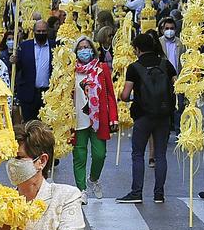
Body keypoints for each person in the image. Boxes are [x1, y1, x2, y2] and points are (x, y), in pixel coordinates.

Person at [117, 31, 176, 203]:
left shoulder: (134, 67)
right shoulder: (166, 64)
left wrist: (127, 96)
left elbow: (125, 95)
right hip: (164, 115)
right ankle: (159, 194)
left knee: (137, 154)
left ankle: (137, 192)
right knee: (160, 154)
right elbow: (177, 85)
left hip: (143, 115)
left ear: (137, 49)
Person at [70, 35, 118, 203]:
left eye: (87, 47)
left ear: (92, 50)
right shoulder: (71, 71)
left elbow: (110, 95)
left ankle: (93, 179)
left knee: (100, 154)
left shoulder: (101, 68)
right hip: (78, 119)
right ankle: (81, 190)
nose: (84, 50)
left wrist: (114, 117)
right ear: (76, 52)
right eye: (81, 48)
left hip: (98, 120)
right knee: (79, 156)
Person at [12, 21, 55, 122]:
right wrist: (14, 61)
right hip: (29, 95)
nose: (41, 33)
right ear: (34, 31)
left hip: (48, 95)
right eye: (38, 31)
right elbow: (18, 68)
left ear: (47, 31)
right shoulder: (25, 46)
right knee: (29, 125)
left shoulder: (54, 46)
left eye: (43, 31)